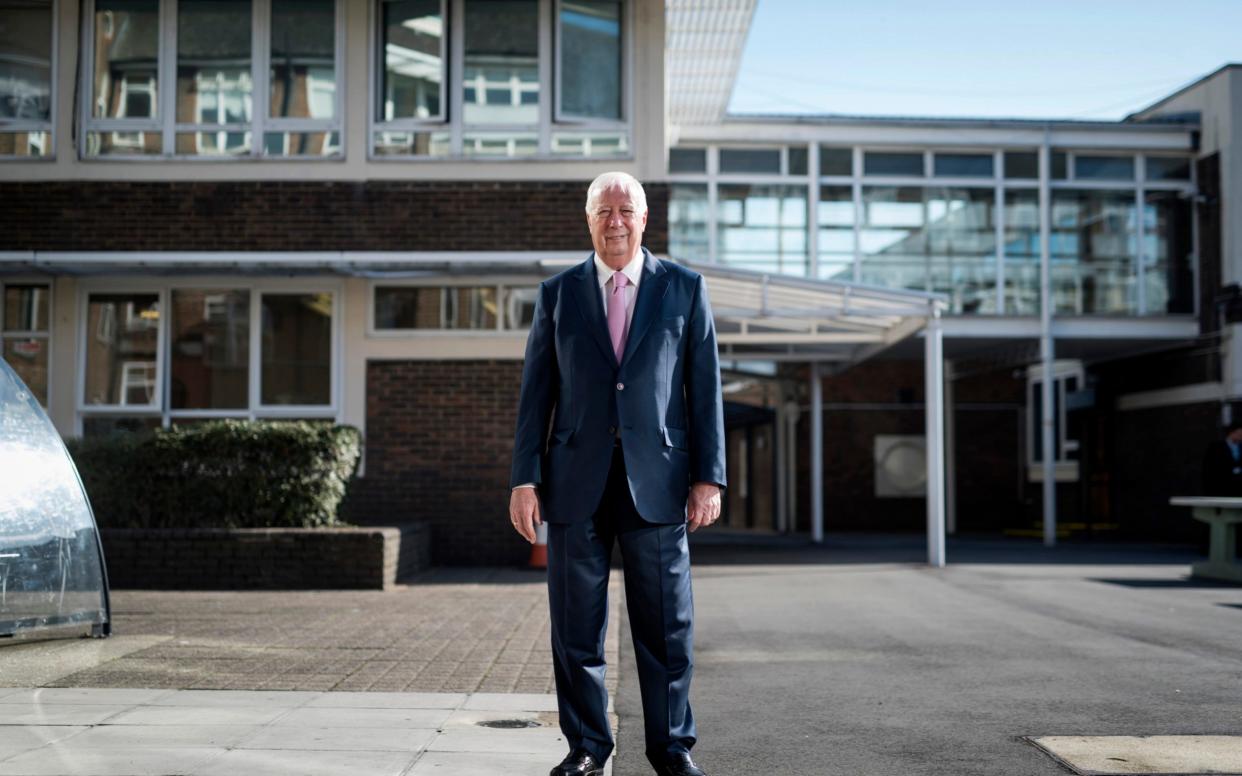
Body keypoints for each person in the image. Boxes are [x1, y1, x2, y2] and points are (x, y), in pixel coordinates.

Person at [508, 171, 726, 776]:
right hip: (574, 483)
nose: (615, 221)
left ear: (643, 218)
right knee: (576, 628)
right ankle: (585, 747)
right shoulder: (558, 293)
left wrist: (709, 476)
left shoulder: (684, 288)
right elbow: (536, 394)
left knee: (666, 627)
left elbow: (703, 390)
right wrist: (524, 479)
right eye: (604, 211)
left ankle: (671, 748)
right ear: (589, 221)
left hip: (657, 482)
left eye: (625, 210)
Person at [1202, 420, 1242, 497]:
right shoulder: (1216, 447)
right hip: (1221, 488)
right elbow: (1210, 469)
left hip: (1238, 490)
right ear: (1232, 432)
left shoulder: (1240, 447)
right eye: (1239, 433)